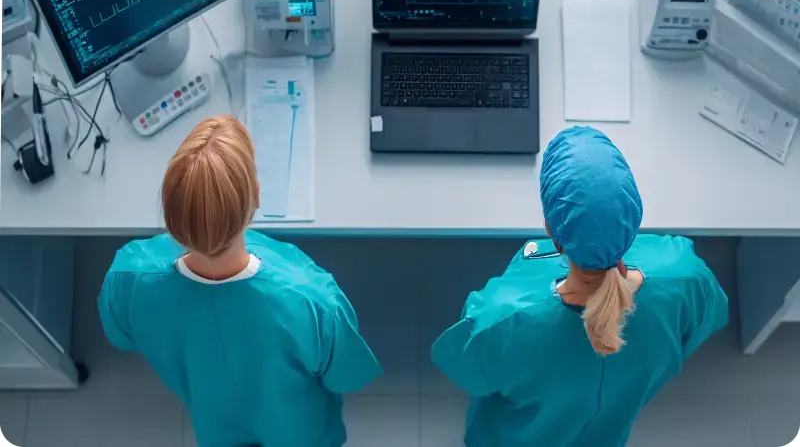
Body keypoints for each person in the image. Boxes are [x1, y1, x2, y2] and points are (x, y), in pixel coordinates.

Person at [431, 126, 729, 447]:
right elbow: (702, 324)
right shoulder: (686, 274)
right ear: (632, 216)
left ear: (549, 228)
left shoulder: (502, 317)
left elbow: (468, 373)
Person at [98, 115, 382, 447]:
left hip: (215, 428)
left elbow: (121, 336)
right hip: (298, 433)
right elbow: (343, 374)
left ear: (172, 211)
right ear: (257, 197)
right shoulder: (311, 297)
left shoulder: (127, 278)